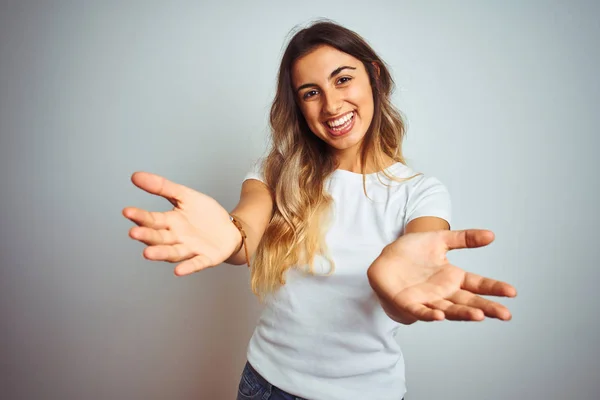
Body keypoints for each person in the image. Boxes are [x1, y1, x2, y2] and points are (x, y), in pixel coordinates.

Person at [122, 21, 517, 400]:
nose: (331, 105)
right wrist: (229, 235)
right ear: (298, 105)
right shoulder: (274, 171)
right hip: (265, 386)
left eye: (342, 79)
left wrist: (392, 287)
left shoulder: (421, 193)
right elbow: (245, 232)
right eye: (311, 92)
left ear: (374, 76)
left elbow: (410, 289)